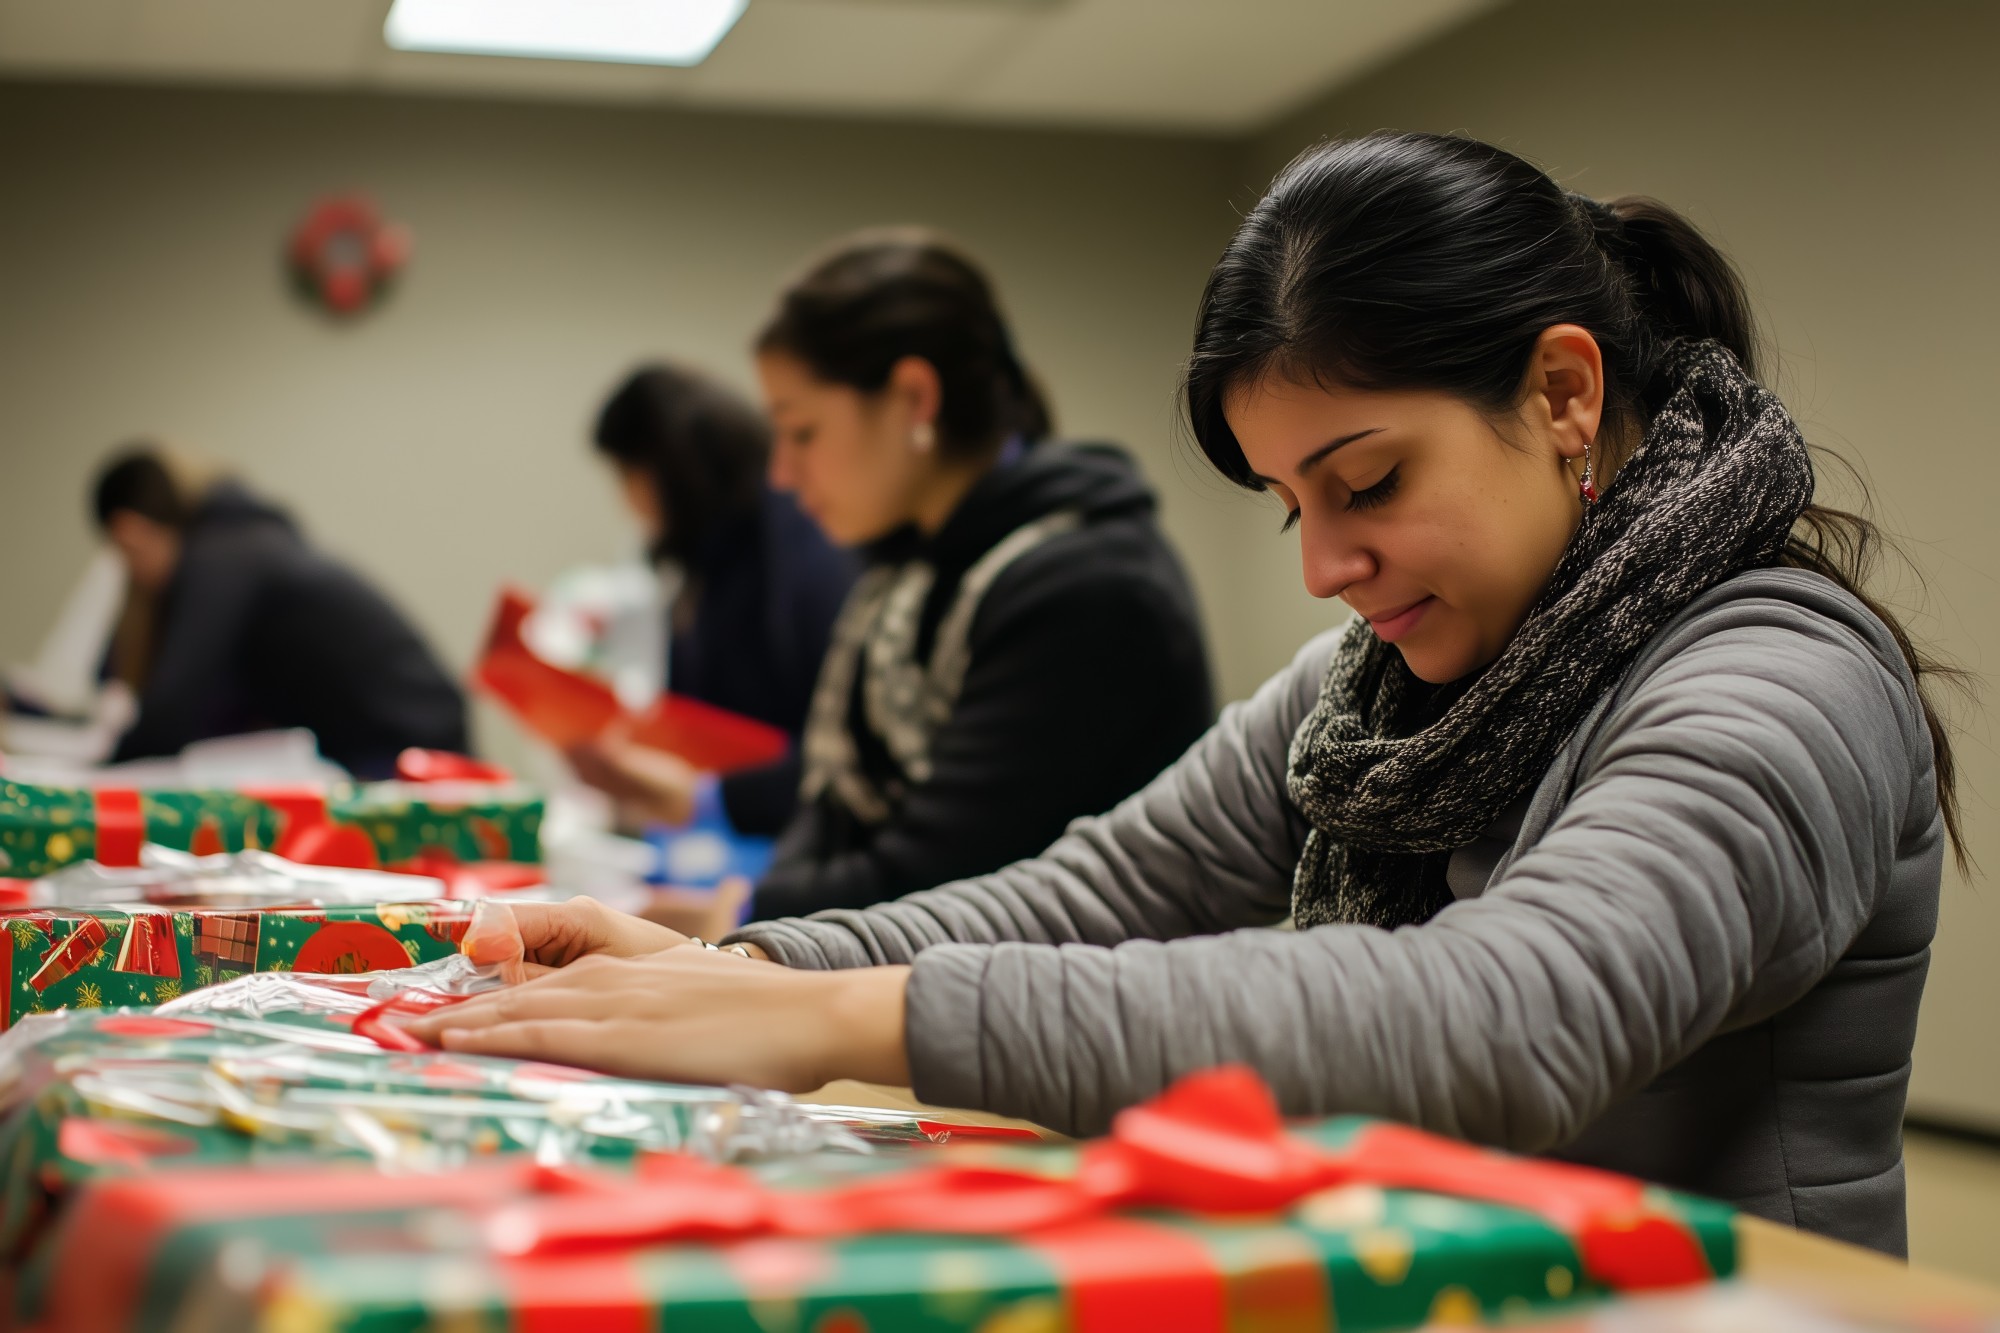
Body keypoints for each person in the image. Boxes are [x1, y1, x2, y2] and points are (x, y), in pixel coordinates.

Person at [403, 135, 1959, 1256]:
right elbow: (1094, 896)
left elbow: (1508, 1017)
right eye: (1294, 508)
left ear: (1564, 393)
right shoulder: (1368, 694)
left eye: (1368, 482)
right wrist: (744, 968)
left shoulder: (1785, 676)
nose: (1326, 566)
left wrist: (830, 1016)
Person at [577, 232, 1215, 927]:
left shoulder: (1089, 588)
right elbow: (832, 807)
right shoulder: (910, 570)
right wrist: (729, 892)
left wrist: (734, 920)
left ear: (914, 398)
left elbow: (944, 877)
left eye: (802, 431)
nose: (781, 473)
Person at [568, 363, 859, 836]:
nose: (628, 501)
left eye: (628, 475)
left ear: (671, 468)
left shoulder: (796, 550)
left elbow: (833, 753)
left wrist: (703, 798)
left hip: (795, 833)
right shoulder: (704, 559)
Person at [95, 445, 468, 779]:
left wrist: (96, 775)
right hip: (407, 736)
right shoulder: (243, 544)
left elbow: (174, 708)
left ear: (131, 531)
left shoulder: (223, 556)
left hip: (410, 752)